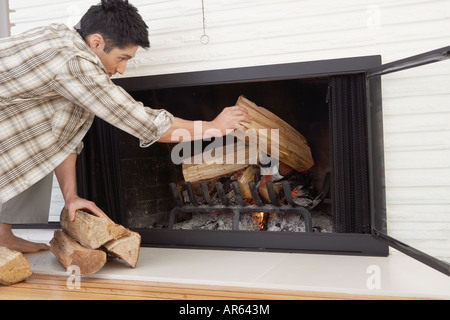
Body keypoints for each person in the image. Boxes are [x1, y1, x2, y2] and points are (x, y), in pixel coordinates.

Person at [0, 0, 251, 253]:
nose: (121, 69)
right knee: (30, 138)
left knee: (36, 134)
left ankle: (2, 235)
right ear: (96, 42)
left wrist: (71, 197)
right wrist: (214, 127)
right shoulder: (74, 63)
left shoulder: (62, 37)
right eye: (122, 58)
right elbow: (142, 122)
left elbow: (63, 133)